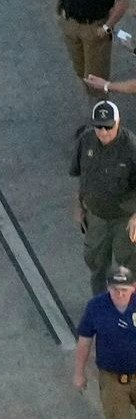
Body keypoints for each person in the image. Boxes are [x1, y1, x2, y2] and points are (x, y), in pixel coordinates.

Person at [72, 261, 136, 419]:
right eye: (115, 290)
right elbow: (85, 340)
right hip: (112, 380)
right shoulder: (96, 307)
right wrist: (79, 373)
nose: (120, 294)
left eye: (125, 290)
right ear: (107, 288)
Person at [74, 101, 136, 288]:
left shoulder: (131, 147)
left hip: (124, 218)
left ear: (118, 122)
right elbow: (81, 175)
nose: (103, 132)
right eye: (98, 127)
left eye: (108, 126)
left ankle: (130, 309)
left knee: (129, 266)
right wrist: (78, 205)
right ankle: (102, 307)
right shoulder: (86, 141)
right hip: (97, 216)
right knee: (96, 263)